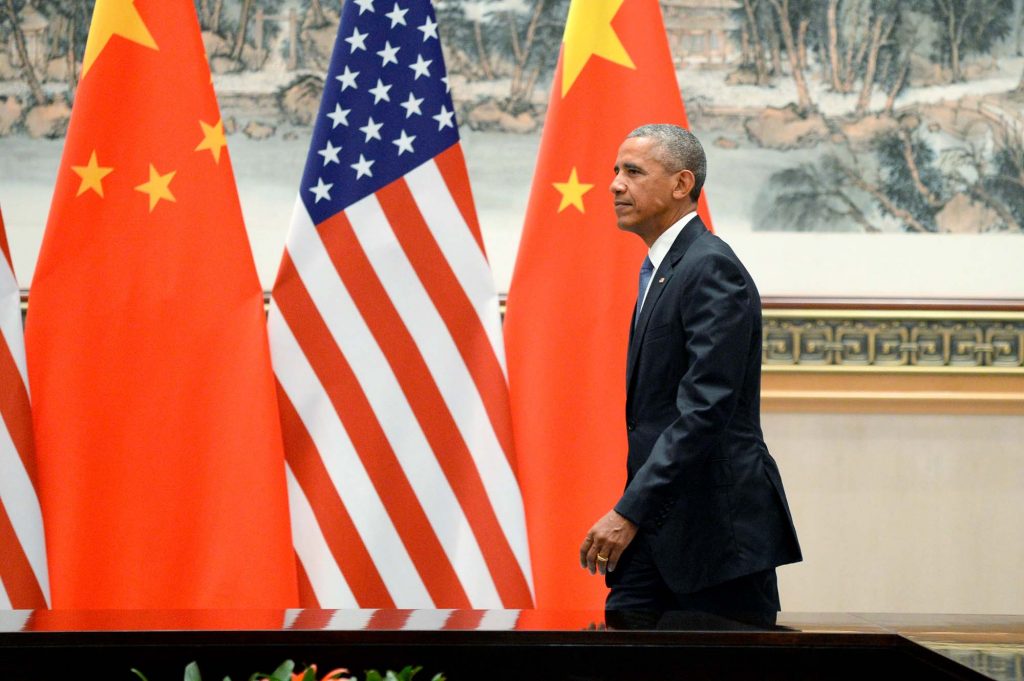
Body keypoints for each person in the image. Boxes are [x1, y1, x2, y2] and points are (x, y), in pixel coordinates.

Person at [579, 123, 802, 620]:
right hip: (658, 530)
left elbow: (705, 410)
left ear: (682, 184)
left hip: (716, 537)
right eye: (615, 171)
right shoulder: (668, 268)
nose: (615, 184)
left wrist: (628, 510)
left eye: (633, 172)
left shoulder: (709, 267)